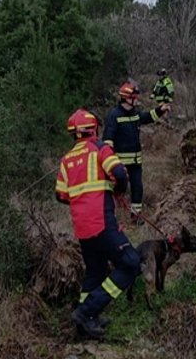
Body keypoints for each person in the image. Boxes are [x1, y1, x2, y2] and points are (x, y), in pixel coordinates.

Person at [55, 108, 140, 339]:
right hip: (102, 222)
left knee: (95, 272)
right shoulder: (100, 148)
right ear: (93, 129)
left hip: (82, 228)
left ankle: (86, 323)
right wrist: (117, 190)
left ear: (74, 134)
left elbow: (60, 195)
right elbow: (120, 174)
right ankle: (86, 311)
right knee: (131, 264)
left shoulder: (66, 160)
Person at [103, 81, 170, 222]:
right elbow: (108, 139)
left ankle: (136, 216)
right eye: (134, 97)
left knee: (137, 188)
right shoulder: (114, 115)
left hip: (135, 162)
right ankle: (112, 217)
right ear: (126, 98)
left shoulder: (135, 113)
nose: (136, 100)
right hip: (119, 164)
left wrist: (160, 110)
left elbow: (147, 117)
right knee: (116, 191)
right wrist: (110, 162)